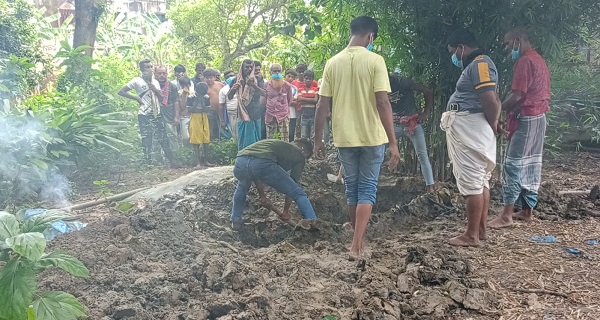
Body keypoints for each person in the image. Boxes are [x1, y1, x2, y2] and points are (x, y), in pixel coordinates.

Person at [313, 16, 400, 259]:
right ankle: (357, 245)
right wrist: (393, 143)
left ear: (352, 33)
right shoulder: (375, 61)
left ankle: (354, 234)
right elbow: (382, 102)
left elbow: (322, 105)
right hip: (372, 136)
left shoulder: (332, 63)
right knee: (368, 188)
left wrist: (317, 139)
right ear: (371, 36)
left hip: (344, 137)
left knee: (352, 188)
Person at [442, 29, 501, 247]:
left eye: (453, 52)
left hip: (469, 125)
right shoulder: (481, 65)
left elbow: (490, 99)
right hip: (473, 124)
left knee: (472, 181)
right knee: (480, 179)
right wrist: (493, 121)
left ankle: (471, 235)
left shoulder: (480, 64)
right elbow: (496, 98)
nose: (454, 57)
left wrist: (493, 122)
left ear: (461, 48)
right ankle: (481, 230)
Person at [489, 28, 550, 228]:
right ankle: (526, 209)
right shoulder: (538, 59)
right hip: (538, 118)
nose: (507, 49)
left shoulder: (524, 61)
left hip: (526, 117)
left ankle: (506, 215)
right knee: (531, 164)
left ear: (517, 41)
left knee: (513, 164)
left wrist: (497, 110)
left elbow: (517, 95)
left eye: (507, 44)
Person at [230, 138, 318, 230]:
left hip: (240, 161)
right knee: (299, 193)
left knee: (242, 187)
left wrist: (262, 196)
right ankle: (313, 224)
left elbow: (254, 170)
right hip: (262, 163)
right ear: (306, 152)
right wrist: (286, 211)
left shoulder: (278, 145)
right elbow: (292, 186)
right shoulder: (300, 155)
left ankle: (235, 221)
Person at [118, 59, 177, 167]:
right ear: (141, 69)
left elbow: (161, 98)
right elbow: (121, 91)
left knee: (163, 138)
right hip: (144, 114)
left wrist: (155, 89)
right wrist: (136, 98)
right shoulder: (136, 81)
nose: (150, 69)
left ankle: (172, 161)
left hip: (156, 113)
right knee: (147, 139)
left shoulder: (155, 82)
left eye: (151, 66)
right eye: (147, 67)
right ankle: (148, 163)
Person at [388, 74, 435, 193]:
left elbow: (427, 91)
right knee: (376, 150)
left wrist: (425, 112)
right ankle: (373, 183)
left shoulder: (401, 81)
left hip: (412, 123)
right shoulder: (378, 85)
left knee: (422, 155)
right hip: (394, 124)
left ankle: (430, 187)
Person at [229, 59, 265, 150]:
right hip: (242, 113)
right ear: (242, 68)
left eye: (251, 67)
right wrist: (233, 89)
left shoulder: (258, 79)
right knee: (243, 138)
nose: (249, 69)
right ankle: (243, 158)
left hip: (255, 113)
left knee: (255, 139)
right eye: (246, 67)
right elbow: (229, 97)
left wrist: (252, 85)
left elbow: (264, 93)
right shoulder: (236, 80)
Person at [155, 66, 181, 152]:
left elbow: (176, 101)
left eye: (164, 73)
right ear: (155, 74)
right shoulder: (153, 85)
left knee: (172, 135)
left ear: (167, 74)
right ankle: (160, 157)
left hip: (169, 114)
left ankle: (176, 154)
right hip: (156, 114)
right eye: (159, 73)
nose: (162, 75)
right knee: (158, 135)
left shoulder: (172, 86)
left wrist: (177, 116)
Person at [265, 63, 293, 140]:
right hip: (270, 116)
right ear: (270, 72)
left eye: (279, 71)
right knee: (271, 140)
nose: (277, 73)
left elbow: (289, 100)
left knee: (284, 140)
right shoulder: (266, 85)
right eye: (274, 71)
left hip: (283, 115)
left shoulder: (287, 86)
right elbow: (264, 99)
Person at [189, 81, 213, 166]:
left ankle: (206, 161)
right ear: (196, 90)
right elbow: (190, 110)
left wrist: (202, 102)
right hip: (195, 118)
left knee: (206, 139)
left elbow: (207, 110)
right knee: (196, 140)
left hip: (204, 117)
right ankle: (198, 162)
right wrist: (196, 102)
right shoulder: (191, 97)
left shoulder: (206, 97)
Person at [204, 69, 225, 141]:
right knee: (210, 128)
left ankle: (220, 142)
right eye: (207, 78)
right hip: (209, 111)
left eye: (211, 77)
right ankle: (210, 142)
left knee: (222, 126)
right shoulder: (203, 87)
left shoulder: (220, 85)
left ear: (214, 77)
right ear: (204, 78)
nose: (209, 79)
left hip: (221, 109)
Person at [298, 70, 319, 140]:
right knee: (304, 136)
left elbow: (316, 100)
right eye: (306, 78)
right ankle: (305, 150)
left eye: (310, 79)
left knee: (313, 136)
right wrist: (311, 99)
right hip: (304, 116)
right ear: (303, 79)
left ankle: (312, 150)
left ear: (312, 80)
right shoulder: (300, 89)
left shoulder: (315, 89)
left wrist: (304, 99)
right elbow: (299, 100)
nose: (308, 80)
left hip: (313, 116)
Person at [220, 75, 239, 139]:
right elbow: (221, 105)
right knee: (234, 130)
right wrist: (222, 120)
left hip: (242, 112)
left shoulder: (240, 87)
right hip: (232, 113)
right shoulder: (224, 90)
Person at [285, 69, 299, 142]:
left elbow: (296, 102)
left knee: (291, 134)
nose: (290, 78)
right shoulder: (280, 86)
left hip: (292, 114)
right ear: (285, 76)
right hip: (282, 114)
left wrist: (285, 100)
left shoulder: (295, 89)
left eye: (292, 77)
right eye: (289, 76)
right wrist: (290, 100)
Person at [177, 76, 193, 143]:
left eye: (187, 85)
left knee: (193, 134)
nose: (186, 87)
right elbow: (182, 107)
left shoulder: (193, 93)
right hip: (183, 117)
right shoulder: (179, 93)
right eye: (184, 85)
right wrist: (184, 94)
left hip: (192, 116)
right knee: (185, 136)